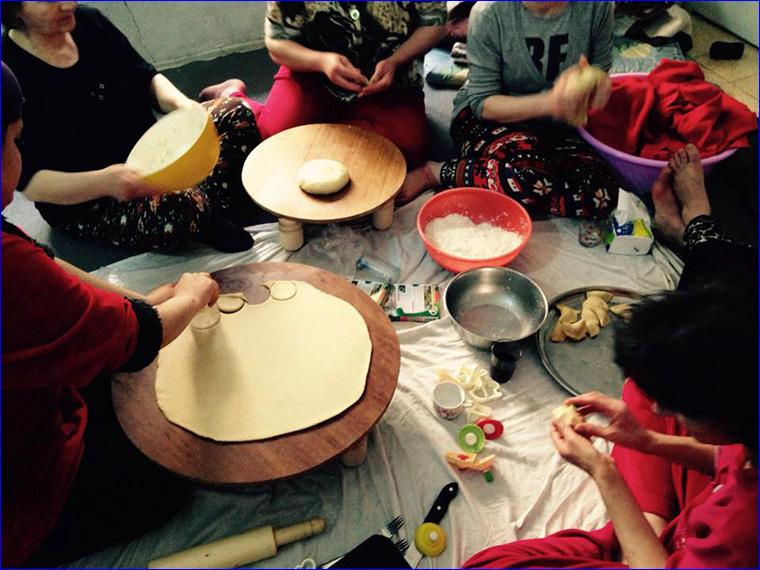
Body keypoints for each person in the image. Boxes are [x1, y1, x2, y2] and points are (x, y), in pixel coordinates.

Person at [461, 147, 757, 568]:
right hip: (701, 508)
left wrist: (605, 473)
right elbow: (724, 460)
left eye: (684, 412)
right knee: (642, 387)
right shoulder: (746, 429)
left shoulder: (744, 533)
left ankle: (637, 543)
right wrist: (646, 440)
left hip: (685, 552)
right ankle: (645, 531)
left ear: (728, 411)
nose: (663, 412)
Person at [1, 62, 222, 566]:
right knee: (165, 475)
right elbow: (138, 339)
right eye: (13, 141)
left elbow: (47, 268)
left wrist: (139, 301)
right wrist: (189, 295)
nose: (18, 153)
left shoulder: (14, 257)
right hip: (18, 506)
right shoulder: (8, 273)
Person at [1, 2, 262, 252]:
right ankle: (207, 208)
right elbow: (31, 183)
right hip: (92, 198)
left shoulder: (89, 20)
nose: (68, 5)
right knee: (183, 207)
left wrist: (182, 105)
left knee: (234, 113)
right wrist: (107, 182)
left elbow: (145, 77)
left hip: (153, 157)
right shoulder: (10, 72)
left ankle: (210, 206)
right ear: (14, 10)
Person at [397, 1, 622, 220]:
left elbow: (600, 73)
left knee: (601, 193)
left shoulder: (598, 7)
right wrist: (550, 103)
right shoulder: (489, 12)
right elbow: (483, 104)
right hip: (490, 117)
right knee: (530, 178)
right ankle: (435, 172)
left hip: (558, 126)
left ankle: (519, 184)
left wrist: (597, 88)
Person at [200, 1, 447, 166]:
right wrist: (323, 62)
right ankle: (233, 94)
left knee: (409, 148)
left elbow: (435, 23)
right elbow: (277, 44)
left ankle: (317, 138)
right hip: (311, 74)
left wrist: (396, 61)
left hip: (392, 83)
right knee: (273, 139)